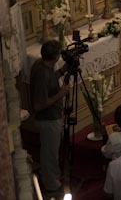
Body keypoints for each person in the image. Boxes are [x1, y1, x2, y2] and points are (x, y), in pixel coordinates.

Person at [30, 40, 69, 196]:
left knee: (51, 151)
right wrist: (61, 94)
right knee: (50, 153)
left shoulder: (41, 65)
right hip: (48, 119)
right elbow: (39, 105)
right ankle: (52, 184)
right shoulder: (42, 73)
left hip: (51, 117)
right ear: (57, 56)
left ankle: (53, 176)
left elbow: (51, 80)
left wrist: (63, 71)